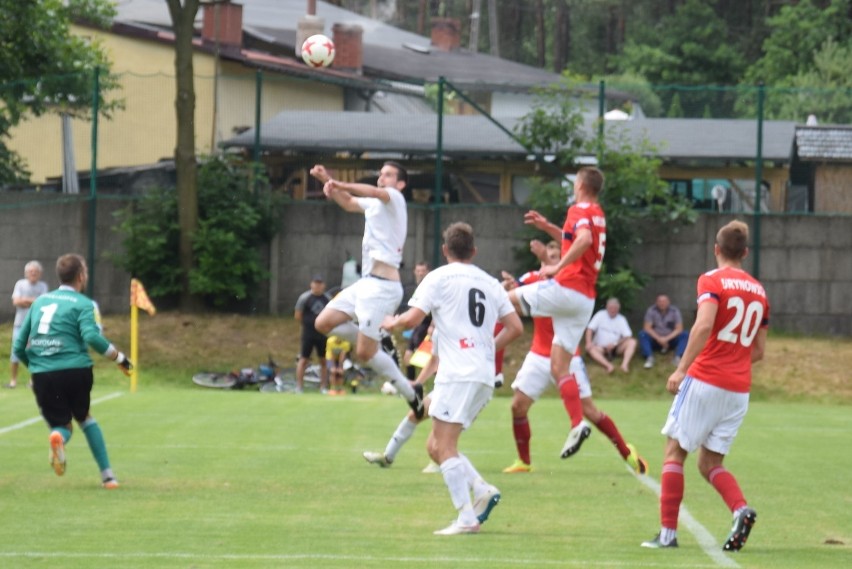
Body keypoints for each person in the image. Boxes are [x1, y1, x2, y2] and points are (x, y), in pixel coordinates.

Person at [382, 222, 523, 535]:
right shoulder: (490, 282)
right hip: (481, 375)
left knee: (443, 447)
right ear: (473, 251)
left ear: (445, 250)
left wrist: (392, 321)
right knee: (435, 446)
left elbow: (413, 318)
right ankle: (482, 489)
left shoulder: (438, 277)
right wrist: (487, 348)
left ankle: (466, 518)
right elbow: (516, 328)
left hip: (458, 373)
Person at [641, 220, 769, 551]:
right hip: (738, 389)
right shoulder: (759, 291)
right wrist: (733, 362)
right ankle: (740, 509)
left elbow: (703, 325)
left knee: (674, 452)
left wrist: (682, 369)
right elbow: (758, 351)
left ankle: (667, 534)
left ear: (716, 249)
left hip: (706, 379)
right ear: (745, 252)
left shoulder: (711, 280)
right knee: (710, 463)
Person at [501, 244, 648, 475]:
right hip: (539, 355)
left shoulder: (570, 286)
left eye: (559, 257)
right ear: (542, 258)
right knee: (518, 406)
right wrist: (509, 286)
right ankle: (524, 462)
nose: (555, 260)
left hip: (568, 356)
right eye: (551, 256)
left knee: (590, 411)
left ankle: (626, 452)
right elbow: (513, 295)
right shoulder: (531, 278)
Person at [507, 166, 607, 460]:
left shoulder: (578, 208)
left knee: (503, 300)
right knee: (559, 367)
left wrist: (556, 267)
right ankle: (577, 424)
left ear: (580, 184)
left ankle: (487, 359)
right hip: (585, 299)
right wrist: (548, 226)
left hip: (567, 288)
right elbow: (576, 238)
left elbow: (583, 240)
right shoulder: (597, 212)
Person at [309, 162, 423, 416]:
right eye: (381, 174)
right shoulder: (374, 204)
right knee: (323, 323)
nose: (383, 178)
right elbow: (348, 202)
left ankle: (410, 392)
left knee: (363, 353)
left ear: (401, 184)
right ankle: (380, 338)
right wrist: (327, 179)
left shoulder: (394, 198)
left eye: (389, 175)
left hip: (383, 288)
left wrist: (338, 182)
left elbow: (370, 191)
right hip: (365, 283)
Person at [13, 254, 133, 489]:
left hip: (44, 375)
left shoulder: (39, 302)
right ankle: (108, 476)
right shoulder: (83, 303)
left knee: (62, 425)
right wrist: (120, 358)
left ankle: (58, 438)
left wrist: (36, 367)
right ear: (81, 276)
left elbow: (19, 346)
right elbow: (90, 336)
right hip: (76, 370)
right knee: (85, 417)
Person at [6, 260, 49, 388]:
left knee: (34, 352)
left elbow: (43, 303)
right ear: (26, 273)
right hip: (19, 324)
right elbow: (16, 301)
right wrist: (32, 301)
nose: (33, 273)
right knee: (16, 352)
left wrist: (26, 301)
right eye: (31, 271)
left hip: (36, 325)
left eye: (35, 272)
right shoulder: (20, 284)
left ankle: (33, 381)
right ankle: (13, 381)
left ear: (40, 273)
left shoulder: (43, 286)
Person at [294, 274, 331, 393]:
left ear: (323, 285)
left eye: (320, 284)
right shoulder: (305, 298)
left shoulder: (327, 298)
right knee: (303, 359)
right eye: (316, 283)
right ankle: (299, 386)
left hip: (323, 334)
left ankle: (323, 387)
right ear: (311, 284)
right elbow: (298, 315)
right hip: (308, 334)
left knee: (324, 360)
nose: (318, 286)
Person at [585, 297, 637, 373]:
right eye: (610, 308)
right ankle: (608, 366)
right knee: (591, 349)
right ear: (607, 307)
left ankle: (624, 365)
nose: (612, 310)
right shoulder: (600, 315)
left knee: (632, 342)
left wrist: (615, 344)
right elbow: (590, 329)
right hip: (600, 347)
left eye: (615, 308)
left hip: (615, 348)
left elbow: (628, 335)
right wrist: (588, 342)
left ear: (618, 309)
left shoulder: (621, 319)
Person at [640, 294, 689, 368]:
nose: (662, 303)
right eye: (660, 301)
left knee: (685, 334)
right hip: (655, 339)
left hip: (671, 340)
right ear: (656, 302)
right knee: (642, 334)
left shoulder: (675, 311)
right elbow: (647, 328)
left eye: (664, 301)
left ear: (668, 302)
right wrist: (659, 339)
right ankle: (649, 357)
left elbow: (679, 329)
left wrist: (666, 339)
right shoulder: (651, 310)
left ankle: (677, 357)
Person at [400, 261, 431, 380]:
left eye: (423, 271)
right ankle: (412, 388)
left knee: (426, 360)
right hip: (415, 328)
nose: (420, 273)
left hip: (427, 328)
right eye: (418, 271)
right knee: (408, 357)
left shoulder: (429, 288)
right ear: (414, 272)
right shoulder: (412, 289)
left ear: (427, 272)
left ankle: (419, 386)